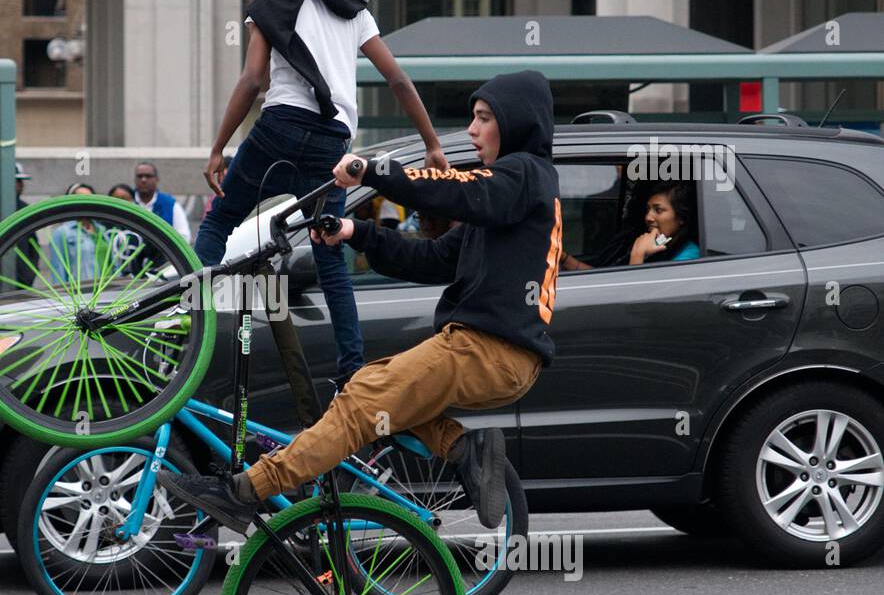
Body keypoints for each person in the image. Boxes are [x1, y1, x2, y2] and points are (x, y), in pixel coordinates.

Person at [161, 70, 562, 532]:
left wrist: (374, 171)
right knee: (368, 384)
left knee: (362, 404)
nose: (471, 130)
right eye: (473, 117)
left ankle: (243, 492)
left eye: (484, 118)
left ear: (516, 123)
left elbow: (456, 191)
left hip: (487, 351)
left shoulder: (522, 175)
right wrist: (357, 233)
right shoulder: (510, 192)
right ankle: (464, 449)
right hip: (487, 353)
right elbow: (432, 260)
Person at [196, 0, 447, 388]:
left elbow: (253, 80)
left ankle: (193, 336)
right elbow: (396, 78)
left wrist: (217, 149)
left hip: (280, 129)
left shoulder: (273, 0)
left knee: (219, 221)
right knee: (329, 251)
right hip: (333, 142)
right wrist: (432, 145)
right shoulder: (352, 7)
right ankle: (350, 369)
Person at [561, 178, 700, 270]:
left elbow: (636, 304)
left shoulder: (687, 257)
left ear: (681, 216)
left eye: (658, 210)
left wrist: (638, 254)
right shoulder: (653, 244)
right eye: (648, 209)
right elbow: (606, 280)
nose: (648, 217)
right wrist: (563, 258)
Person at [49, 183, 107, 284]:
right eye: (79, 198)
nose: (85, 202)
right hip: (80, 295)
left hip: (109, 292)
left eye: (90, 198)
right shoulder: (61, 233)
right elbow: (58, 271)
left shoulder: (101, 230)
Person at [131, 163, 191, 242]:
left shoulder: (171, 205)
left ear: (157, 179)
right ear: (134, 180)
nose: (143, 180)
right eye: (140, 176)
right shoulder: (128, 201)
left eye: (148, 176)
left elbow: (184, 237)